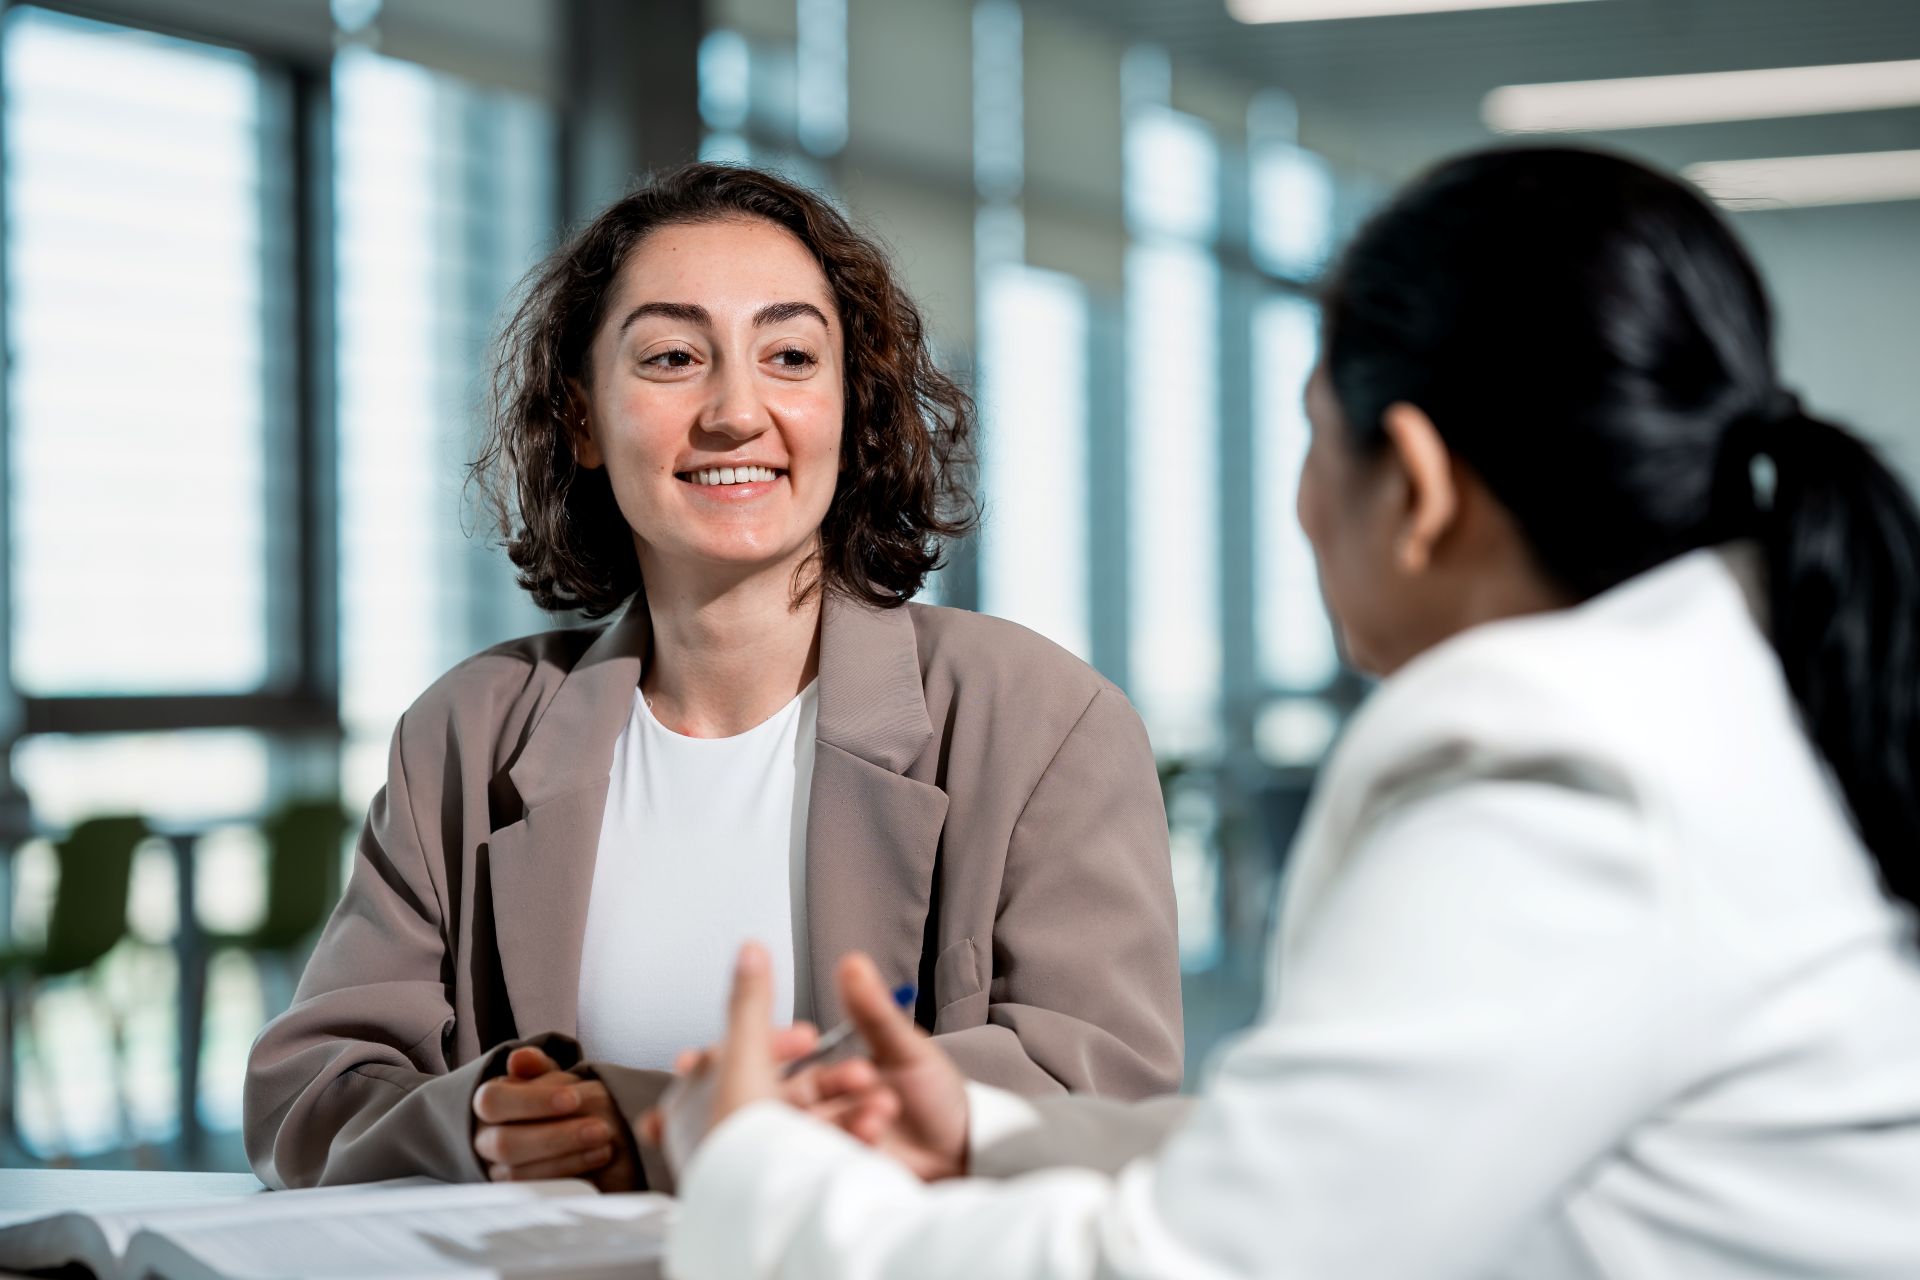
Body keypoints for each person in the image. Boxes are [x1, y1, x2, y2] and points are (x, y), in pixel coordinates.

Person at [658, 146, 1920, 1278]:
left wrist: (754, 1170)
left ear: (1418, 486)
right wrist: (989, 1130)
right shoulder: (1697, 719)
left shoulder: (1569, 792)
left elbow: (1198, 1265)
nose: (1304, 504)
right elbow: (1361, 1147)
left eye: (1315, 439)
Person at [242, 163, 1183, 1193]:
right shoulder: (466, 734)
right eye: (673, 356)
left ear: (851, 408)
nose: (737, 411)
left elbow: (1107, 1093)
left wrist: (663, 1123)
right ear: (584, 419)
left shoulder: (1046, 722)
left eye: (789, 355)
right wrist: (480, 1117)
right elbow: (309, 1092)